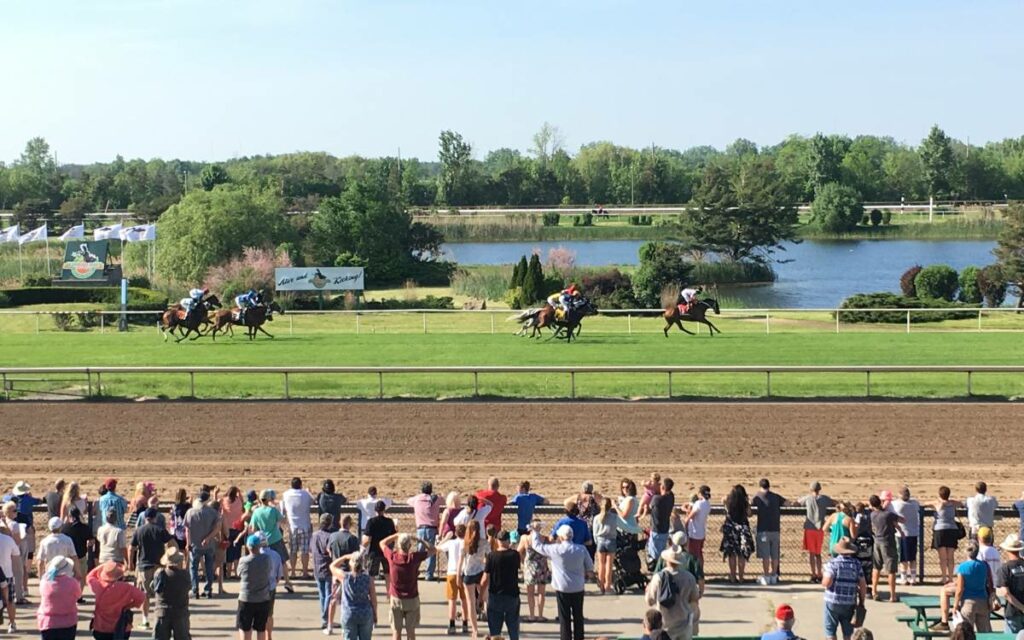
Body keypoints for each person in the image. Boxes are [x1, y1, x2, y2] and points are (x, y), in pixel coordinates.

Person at [529, 524, 594, 640]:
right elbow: (589, 567)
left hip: (562, 587)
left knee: (564, 618)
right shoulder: (581, 549)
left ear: (562, 537)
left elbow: (537, 546)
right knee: (578, 616)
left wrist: (536, 532)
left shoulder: (555, 549)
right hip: (578, 587)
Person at [929, 540, 993, 633]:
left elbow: (959, 589)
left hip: (968, 602)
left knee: (966, 633)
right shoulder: (984, 565)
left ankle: (944, 622)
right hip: (983, 600)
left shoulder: (963, 567)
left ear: (965, 551)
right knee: (985, 633)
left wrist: (955, 605)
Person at [381, 532, 432, 640]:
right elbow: (433, 550)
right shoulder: (414, 558)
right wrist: (419, 540)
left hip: (396, 598)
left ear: (399, 545)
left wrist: (396, 535)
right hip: (412, 598)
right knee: (411, 632)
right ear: (409, 546)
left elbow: (382, 543)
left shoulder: (392, 557)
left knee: (396, 631)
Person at [644, 547, 699, 640]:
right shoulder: (689, 577)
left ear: (666, 560)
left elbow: (650, 601)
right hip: (684, 624)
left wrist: (647, 591)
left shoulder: (658, 578)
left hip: (664, 625)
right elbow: (694, 599)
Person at [248, 489, 294, 593]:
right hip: (276, 538)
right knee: (282, 561)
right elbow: (283, 520)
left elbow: (253, 527)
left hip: (263, 539)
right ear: (269, 498)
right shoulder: (273, 510)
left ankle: (265, 582)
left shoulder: (256, 511)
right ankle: (287, 581)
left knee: (264, 561)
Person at [88, 560, 148, 640]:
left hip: (101, 627)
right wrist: (130, 605)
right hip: (122, 626)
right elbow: (142, 597)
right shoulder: (127, 587)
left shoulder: (99, 586)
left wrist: (103, 566)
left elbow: (89, 576)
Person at [823, 538, 867, 640]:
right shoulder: (856, 564)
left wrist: (823, 576)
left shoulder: (833, 564)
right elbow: (863, 584)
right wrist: (862, 601)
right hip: (849, 602)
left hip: (833, 601)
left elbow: (827, 583)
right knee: (848, 632)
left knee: (830, 630)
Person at [481, 530, 521, 640]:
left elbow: (484, 579)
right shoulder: (515, 555)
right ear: (508, 541)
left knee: (494, 630)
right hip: (512, 594)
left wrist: (480, 597)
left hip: (495, 595)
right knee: (513, 628)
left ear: (497, 541)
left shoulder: (491, 556)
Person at [130, 508, 173, 601]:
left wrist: (131, 563)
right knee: (160, 590)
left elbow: (131, 548)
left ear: (145, 518)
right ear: (155, 517)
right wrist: (169, 557)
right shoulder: (160, 530)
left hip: (144, 565)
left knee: (145, 593)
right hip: (159, 564)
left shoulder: (139, 531)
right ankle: (160, 610)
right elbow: (172, 544)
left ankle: (145, 614)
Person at [185, 489, 220, 599]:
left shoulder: (190, 512)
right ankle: (208, 589)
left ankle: (195, 589)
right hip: (208, 544)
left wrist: (188, 542)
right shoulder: (212, 512)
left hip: (195, 543)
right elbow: (217, 527)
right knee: (209, 567)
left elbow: (187, 529)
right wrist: (209, 538)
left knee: (193, 567)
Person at [237, 534, 273, 640]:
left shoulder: (244, 561)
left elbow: (239, 573)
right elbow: (269, 571)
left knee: (244, 628)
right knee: (261, 629)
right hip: (263, 598)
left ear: (248, 546)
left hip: (246, 598)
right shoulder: (266, 559)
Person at [456, 520, 489, 638]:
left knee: (470, 602)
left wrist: (458, 576)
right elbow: (488, 558)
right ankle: (491, 624)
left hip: (468, 573)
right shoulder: (484, 542)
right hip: (481, 571)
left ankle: (474, 629)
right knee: (486, 599)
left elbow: (460, 562)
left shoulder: (464, 543)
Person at [753, 478, 788, 585]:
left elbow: (750, 506)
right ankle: (774, 575)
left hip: (763, 530)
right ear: (769, 486)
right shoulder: (775, 496)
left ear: (760, 486)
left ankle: (767, 575)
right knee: (774, 555)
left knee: (765, 555)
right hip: (775, 529)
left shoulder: (757, 497)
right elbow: (787, 503)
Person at [796, 481, 833, 584]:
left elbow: (797, 503)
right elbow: (834, 503)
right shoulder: (824, 499)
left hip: (809, 528)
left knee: (812, 554)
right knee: (818, 553)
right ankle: (819, 574)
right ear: (819, 489)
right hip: (820, 528)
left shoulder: (807, 498)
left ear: (811, 489)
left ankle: (813, 574)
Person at [37, 555, 81, 640]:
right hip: (68, 623)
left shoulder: (44, 582)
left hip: (48, 623)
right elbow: (78, 595)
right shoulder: (72, 583)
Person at [868, 494, 902, 602]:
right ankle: (893, 595)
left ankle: (874, 590)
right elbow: (902, 520)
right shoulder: (888, 515)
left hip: (877, 541)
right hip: (888, 542)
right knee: (891, 569)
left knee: (876, 567)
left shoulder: (872, 514)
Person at [152, 545, 191, 640]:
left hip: (162, 611)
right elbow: (188, 587)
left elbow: (153, 588)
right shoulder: (184, 575)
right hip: (180, 612)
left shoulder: (159, 574)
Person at [438, 524, 469, 635]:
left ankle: (452, 624)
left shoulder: (451, 543)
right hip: (464, 573)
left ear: (456, 533)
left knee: (452, 599)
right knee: (464, 599)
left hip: (452, 572)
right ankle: (465, 623)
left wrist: (445, 538)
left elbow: (438, 547)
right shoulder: (466, 544)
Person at [408, 481, 443, 581]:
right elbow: (444, 500)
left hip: (421, 529)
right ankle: (429, 574)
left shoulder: (417, 499)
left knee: (419, 552)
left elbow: (408, 501)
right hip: (432, 528)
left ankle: (414, 571)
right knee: (431, 551)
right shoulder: (435, 499)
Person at [281, 477, 315, 580]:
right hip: (305, 525)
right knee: (304, 551)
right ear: (300, 485)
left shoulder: (286, 494)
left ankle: (293, 572)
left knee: (293, 550)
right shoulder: (305, 494)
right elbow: (313, 501)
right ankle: (305, 572)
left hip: (292, 526)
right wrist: (309, 492)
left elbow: (283, 509)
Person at [518, 520, 550, 623]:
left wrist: (523, 561)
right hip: (542, 567)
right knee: (541, 593)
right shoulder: (544, 539)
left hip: (529, 567)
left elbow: (519, 551)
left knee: (530, 593)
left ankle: (532, 615)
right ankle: (540, 615)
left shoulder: (525, 538)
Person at [721, 484, 753, 584]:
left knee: (731, 554)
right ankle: (741, 577)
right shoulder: (745, 503)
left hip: (731, 530)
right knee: (741, 555)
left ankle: (733, 576)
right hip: (742, 529)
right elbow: (749, 514)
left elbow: (723, 499)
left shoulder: (729, 501)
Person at [592, 497, 625, 594]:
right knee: (609, 565)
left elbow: (595, 533)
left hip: (600, 541)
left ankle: (601, 586)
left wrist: (597, 542)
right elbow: (619, 526)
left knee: (601, 565)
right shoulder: (614, 517)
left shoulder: (597, 518)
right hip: (611, 541)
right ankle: (607, 587)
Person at [932, 486, 964, 583]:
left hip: (940, 530)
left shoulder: (937, 503)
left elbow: (925, 504)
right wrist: (951, 500)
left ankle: (944, 577)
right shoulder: (953, 503)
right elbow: (961, 503)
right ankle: (950, 577)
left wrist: (939, 500)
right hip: (952, 529)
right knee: (950, 556)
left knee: (943, 557)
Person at [891, 486, 921, 585]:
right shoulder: (915, 503)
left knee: (903, 558)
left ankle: (904, 578)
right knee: (912, 557)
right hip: (914, 533)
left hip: (902, 534)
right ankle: (913, 578)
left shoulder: (896, 504)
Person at [311, 513, 335, 630]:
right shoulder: (330, 536)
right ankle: (326, 618)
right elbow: (329, 551)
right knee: (329, 595)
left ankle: (325, 617)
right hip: (327, 568)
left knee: (322, 594)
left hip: (317, 567)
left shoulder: (314, 535)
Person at [365, 501, 397, 586]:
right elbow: (393, 536)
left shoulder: (371, 522)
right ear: (384, 510)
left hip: (374, 551)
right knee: (388, 574)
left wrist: (363, 547)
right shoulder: (389, 522)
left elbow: (367, 539)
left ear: (375, 510)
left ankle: (372, 596)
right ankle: (389, 596)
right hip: (386, 551)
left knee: (371, 576)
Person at [998, 533, 1024, 635]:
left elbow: (1006, 593)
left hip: (1013, 612)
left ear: (1007, 549)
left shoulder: (1005, 568)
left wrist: (1022, 607)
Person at [60, 507, 92, 589]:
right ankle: (79, 595)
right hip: (81, 555)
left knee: (69, 576)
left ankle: (69, 594)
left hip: (69, 556)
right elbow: (91, 542)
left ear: (69, 516)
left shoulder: (65, 528)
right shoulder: (85, 527)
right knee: (81, 577)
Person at [647, 478, 675, 568]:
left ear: (662, 487)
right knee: (661, 553)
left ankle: (657, 573)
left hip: (656, 529)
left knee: (655, 556)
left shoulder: (657, 499)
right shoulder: (671, 497)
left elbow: (650, 506)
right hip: (665, 529)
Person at [684, 485, 711, 564]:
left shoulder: (699, 503)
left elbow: (692, 515)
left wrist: (686, 522)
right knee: (699, 553)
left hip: (694, 533)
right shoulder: (707, 504)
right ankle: (700, 571)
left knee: (693, 554)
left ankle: (696, 572)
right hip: (701, 532)